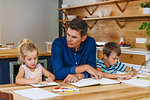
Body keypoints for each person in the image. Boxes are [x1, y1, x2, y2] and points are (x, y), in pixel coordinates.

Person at [51, 18, 102, 83]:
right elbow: (58, 73)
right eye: (68, 35)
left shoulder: (90, 42)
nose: (69, 39)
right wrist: (86, 67)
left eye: (74, 37)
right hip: (61, 85)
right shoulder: (58, 43)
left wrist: (80, 76)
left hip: (83, 84)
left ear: (83, 38)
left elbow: (92, 68)